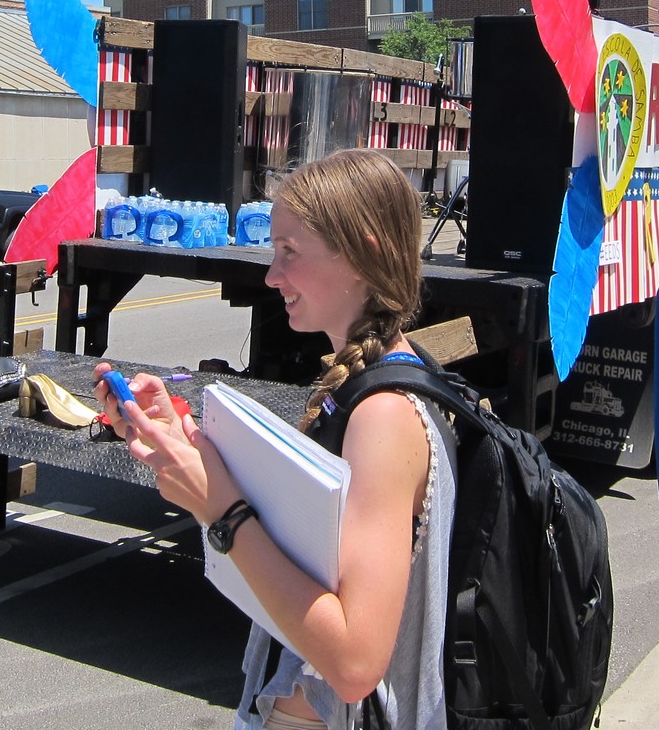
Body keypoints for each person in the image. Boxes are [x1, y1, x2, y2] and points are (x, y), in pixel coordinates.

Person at [94, 150, 455, 729]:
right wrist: (182, 438)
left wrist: (221, 511)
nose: (270, 275)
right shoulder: (377, 382)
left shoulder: (384, 416)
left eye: (290, 251)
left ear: (361, 255)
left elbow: (355, 664)